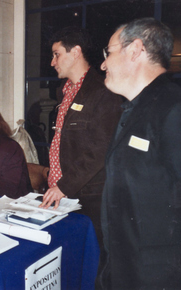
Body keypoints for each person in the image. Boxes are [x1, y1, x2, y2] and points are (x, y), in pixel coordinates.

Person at [97, 18, 181, 289]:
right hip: (123, 270)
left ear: (135, 50)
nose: (103, 64)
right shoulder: (134, 110)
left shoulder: (178, 109)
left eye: (109, 52)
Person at [39, 26, 123, 246]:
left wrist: (63, 187)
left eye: (56, 54)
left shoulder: (103, 92)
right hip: (61, 190)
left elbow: (100, 149)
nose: (52, 62)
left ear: (75, 52)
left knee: (91, 258)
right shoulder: (64, 91)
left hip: (88, 197)